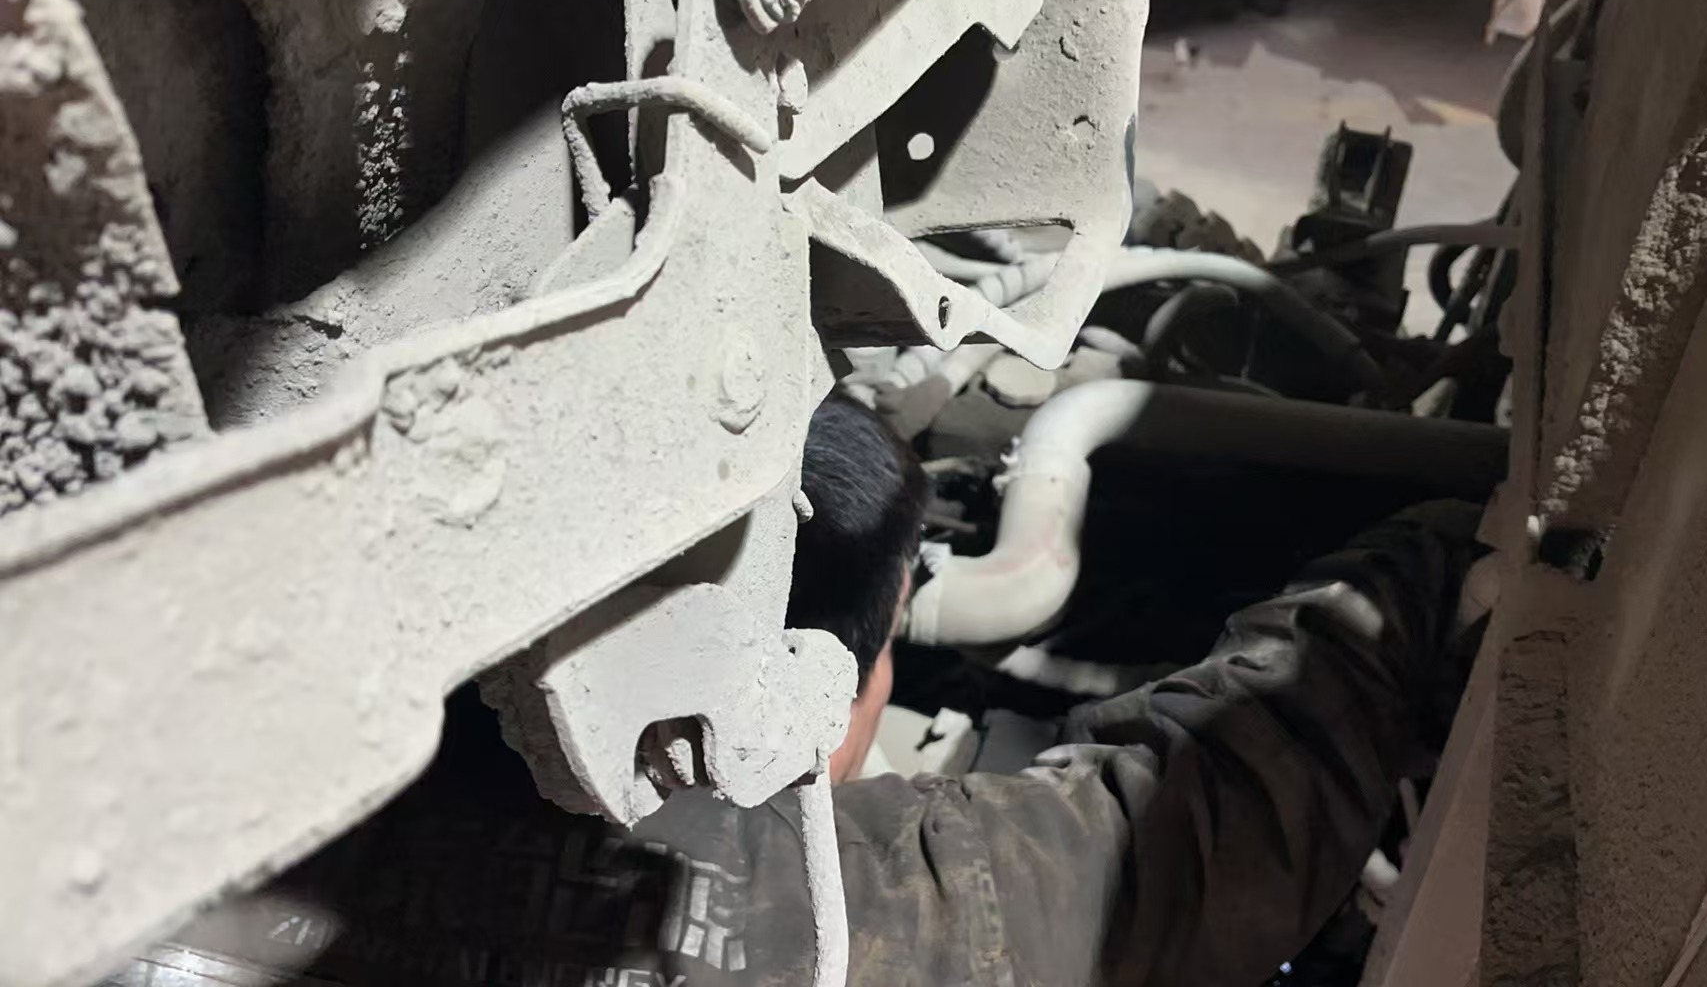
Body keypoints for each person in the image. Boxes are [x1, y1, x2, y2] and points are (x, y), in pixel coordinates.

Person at [116, 396, 1484, 987]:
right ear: (814, 694)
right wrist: (1434, 563)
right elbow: (1188, 840)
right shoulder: (823, 928)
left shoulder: (132, 768)